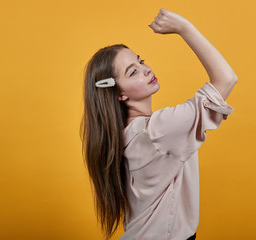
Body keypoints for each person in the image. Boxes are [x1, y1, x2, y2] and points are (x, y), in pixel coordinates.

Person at [80, 8, 238, 240]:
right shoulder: (157, 132)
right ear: (119, 94)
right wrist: (184, 28)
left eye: (140, 61)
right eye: (133, 72)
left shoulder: (124, 135)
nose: (146, 70)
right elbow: (226, 78)